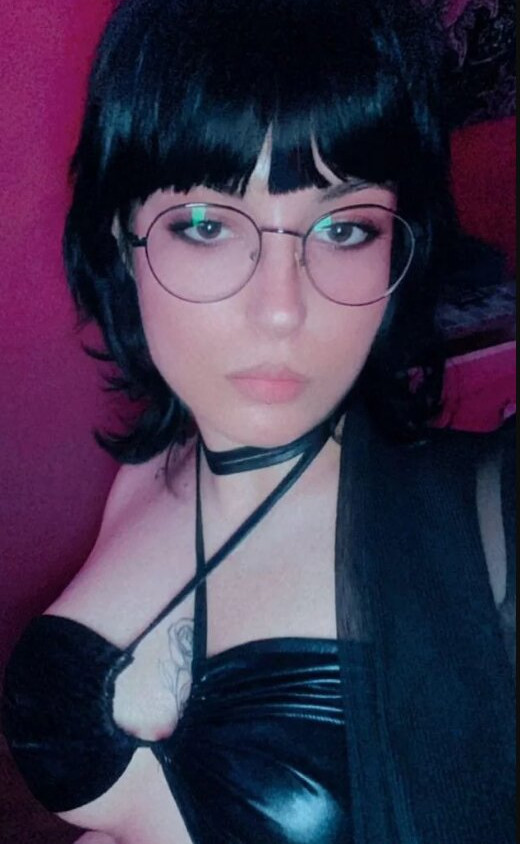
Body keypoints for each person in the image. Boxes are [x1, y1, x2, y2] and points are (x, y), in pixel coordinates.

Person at [2, 1, 515, 843]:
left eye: (344, 227)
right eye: (206, 224)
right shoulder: (155, 470)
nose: (282, 309)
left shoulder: (484, 533)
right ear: (123, 238)